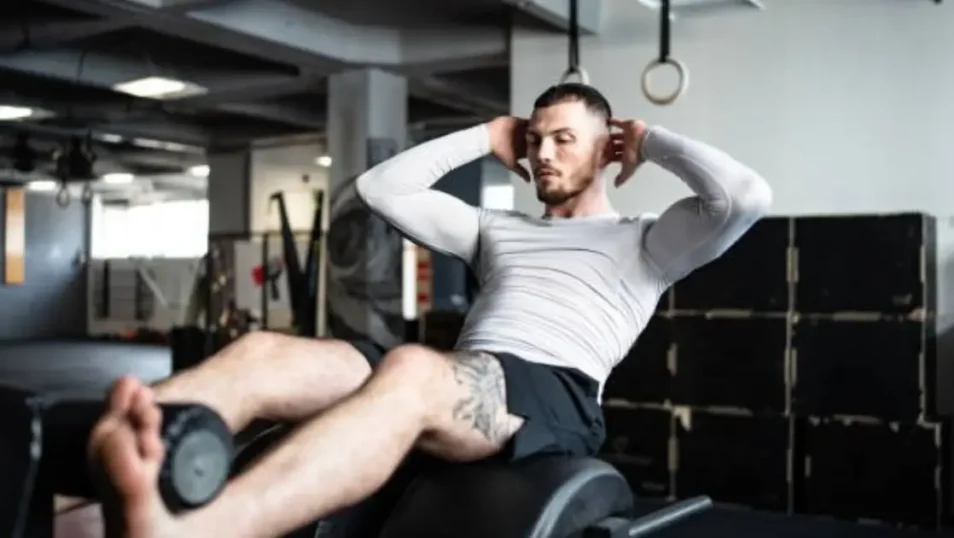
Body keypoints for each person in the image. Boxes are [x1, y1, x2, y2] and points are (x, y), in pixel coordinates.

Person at [83, 83, 772, 538]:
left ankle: (204, 530)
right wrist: (485, 135)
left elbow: (744, 197)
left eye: (564, 137)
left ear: (606, 146)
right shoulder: (496, 230)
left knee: (413, 370)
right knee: (271, 352)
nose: (543, 151)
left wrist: (650, 141)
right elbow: (382, 188)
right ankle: (119, 443)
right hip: (461, 375)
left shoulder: (646, 240)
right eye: (534, 138)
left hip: (552, 391)